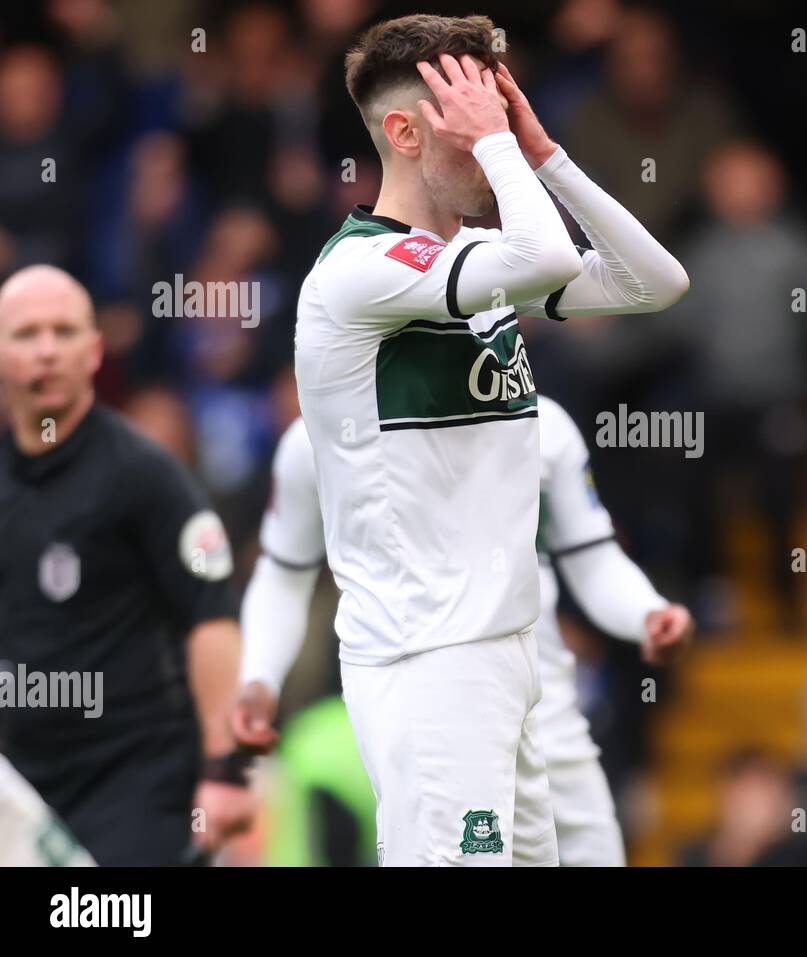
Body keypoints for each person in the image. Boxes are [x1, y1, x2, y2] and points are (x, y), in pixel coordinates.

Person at [292, 14, 688, 866]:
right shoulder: (356, 273)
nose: (495, 134)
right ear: (404, 132)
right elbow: (544, 255)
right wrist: (508, 154)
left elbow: (655, 281)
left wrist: (545, 156)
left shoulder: (477, 256)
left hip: (507, 657)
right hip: (427, 656)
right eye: (474, 121)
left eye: (500, 111)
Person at [235, 397, 693, 865]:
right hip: (421, 717)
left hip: (546, 709)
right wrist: (259, 675)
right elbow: (282, 573)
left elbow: (592, 557)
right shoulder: (320, 434)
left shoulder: (541, 421)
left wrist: (646, 612)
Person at [0, 264, 253, 865]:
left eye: (63, 333)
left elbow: (211, 619)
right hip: (23, 785)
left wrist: (225, 771)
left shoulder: (146, 476)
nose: (46, 352)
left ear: (93, 352)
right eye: (26, 334)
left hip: (136, 782)